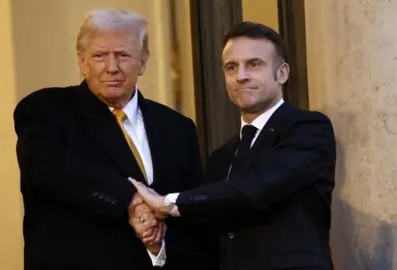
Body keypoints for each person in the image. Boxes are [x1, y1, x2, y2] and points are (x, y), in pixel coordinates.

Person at [13, 9, 216, 270]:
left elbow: (193, 222)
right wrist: (130, 200)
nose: (112, 67)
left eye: (123, 55)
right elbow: (47, 169)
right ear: (82, 61)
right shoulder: (47, 110)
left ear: (143, 62)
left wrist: (159, 249)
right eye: (99, 56)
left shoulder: (177, 127)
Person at [129, 21, 336, 270]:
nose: (241, 76)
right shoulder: (221, 157)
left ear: (282, 73)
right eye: (231, 67)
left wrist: (168, 203)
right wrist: (157, 243)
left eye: (254, 64)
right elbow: (207, 237)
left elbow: (259, 188)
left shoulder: (308, 129)